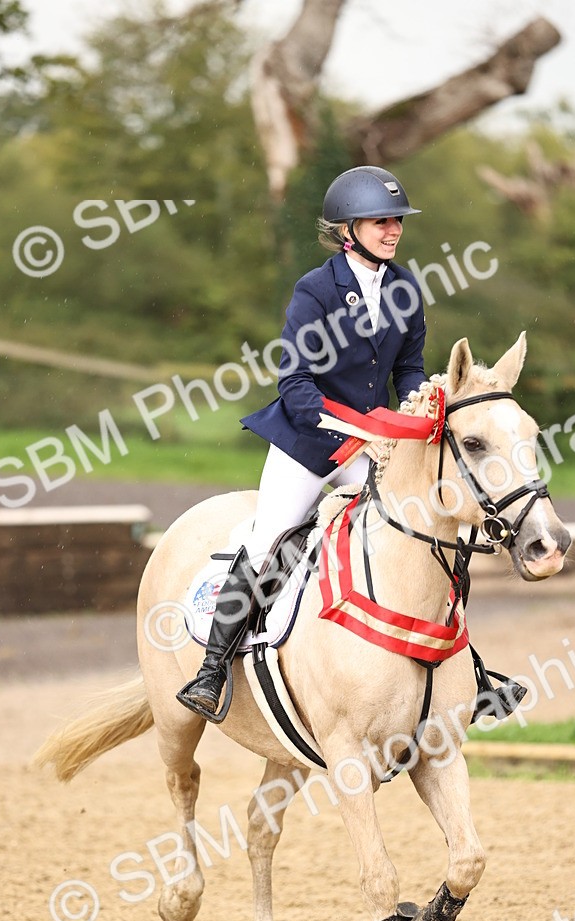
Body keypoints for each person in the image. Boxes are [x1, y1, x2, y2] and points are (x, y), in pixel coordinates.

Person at [177, 165, 427, 720]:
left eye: (397, 221)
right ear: (348, 229)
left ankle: (467, 669)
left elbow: (408, 369)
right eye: (381, 221)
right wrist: (357, 427)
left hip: (371, 451)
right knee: (268, 540)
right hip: (307, 446)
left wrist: (417, 405)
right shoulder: (315, 289)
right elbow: (294, 384)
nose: (393, 230)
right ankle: (211, 669)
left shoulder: (406, 288)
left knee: (420, 532)